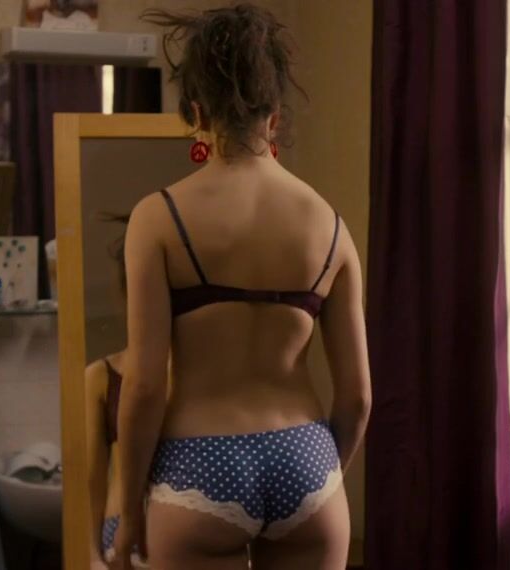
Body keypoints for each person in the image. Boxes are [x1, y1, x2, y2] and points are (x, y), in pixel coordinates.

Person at [109, 4, 372, 570]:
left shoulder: (158, 217)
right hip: (305, 457)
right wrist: (323, 477)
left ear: (195, 113)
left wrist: (129, 511)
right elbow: (357, 398)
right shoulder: (331, 226)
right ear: (274, 117)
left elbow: (145, 387)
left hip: (200, 463)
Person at [85, 214, 149, 569]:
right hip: (120, 535)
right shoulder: (101, 376)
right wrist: (91, 556)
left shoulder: (195, 371)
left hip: (186, 531)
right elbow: (90, 482)